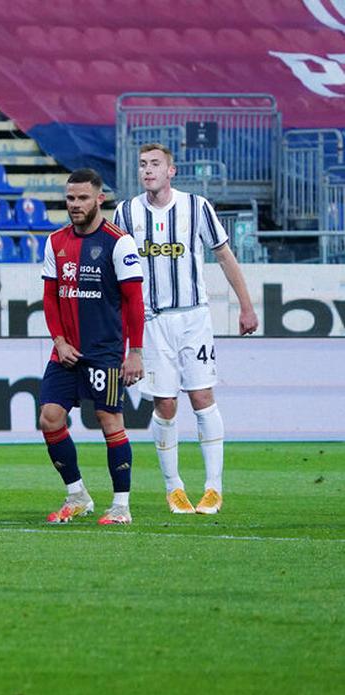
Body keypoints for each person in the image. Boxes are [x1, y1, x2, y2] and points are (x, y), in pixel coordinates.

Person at [114, 143, 259, 515]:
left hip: (193, 317)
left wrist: (245, 305)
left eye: (155, 164)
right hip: (151, 320)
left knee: (202, 397)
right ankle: (174, 488)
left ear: (171, 171)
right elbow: (118, 272)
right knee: (164, 403)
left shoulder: (196, 207)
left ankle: (213, 489)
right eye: (143, 165)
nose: (148, 170)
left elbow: (224, 254)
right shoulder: (126, 212)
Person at [39, 168, 145, 526]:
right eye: (70, 198)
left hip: (104, 350)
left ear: (99, 199)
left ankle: (121, 506)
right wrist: (59, 340)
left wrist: (135, 352)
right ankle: (77, 494)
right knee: (49, 417)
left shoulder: (119, 242)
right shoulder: (55, 241)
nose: (75, 205)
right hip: (65, 351)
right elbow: (50, 297)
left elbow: (134, 302)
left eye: (83, 198)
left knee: (108, 419)